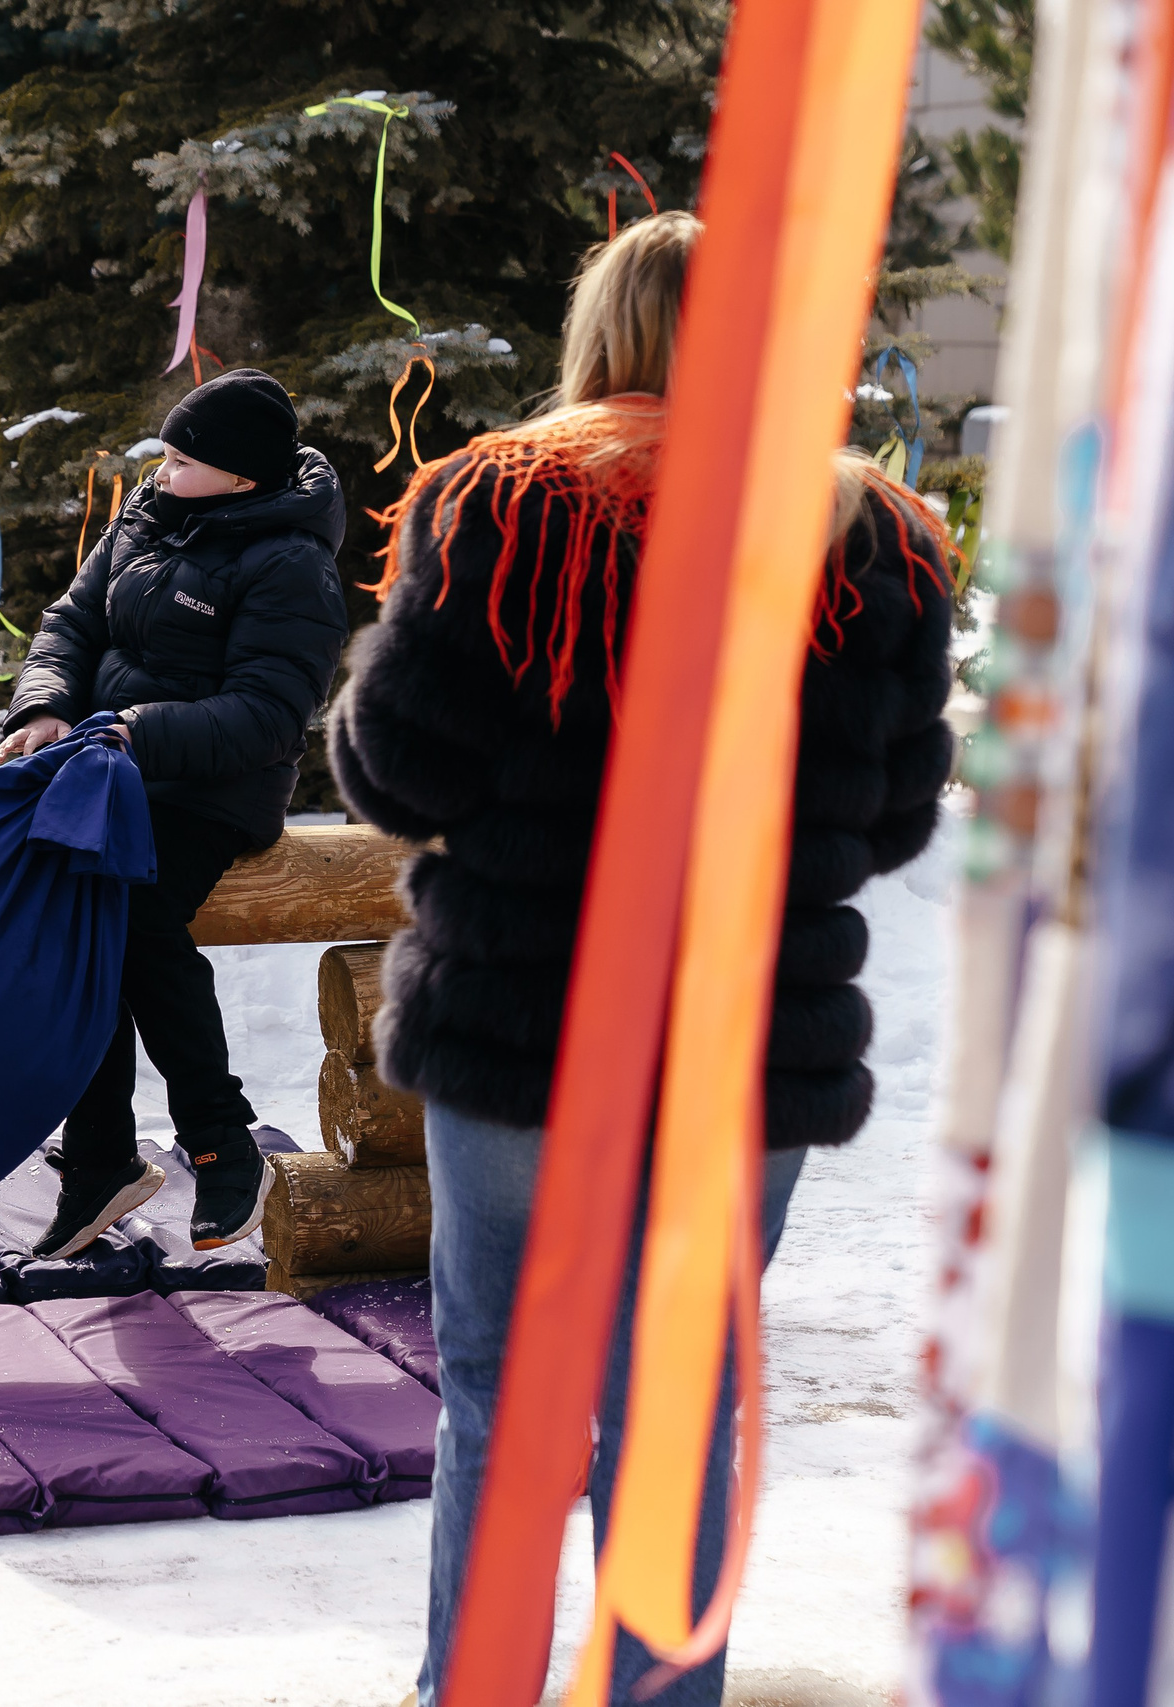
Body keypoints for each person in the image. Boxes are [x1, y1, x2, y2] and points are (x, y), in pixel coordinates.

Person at [325, 211, 955, 1706]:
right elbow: (897, 810)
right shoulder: (871, 533)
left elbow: (399, 770)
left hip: (522, 1021)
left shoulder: (496, 500)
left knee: (497, 1383)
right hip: (749, 1032)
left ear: (600, 327)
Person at [0, 367, 349, 1258]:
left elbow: (269, 715)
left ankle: (221, 1138)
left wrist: (133, 731)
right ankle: (103, 1157)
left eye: (183, 460)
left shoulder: (290, 563)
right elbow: (70, 624)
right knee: (79, 925)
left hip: (210, 790)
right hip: (108, 770)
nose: (161, 470)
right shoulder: (148, 516)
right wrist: (44, 706)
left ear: (241, 478)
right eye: (164, 452)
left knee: (132, 912)